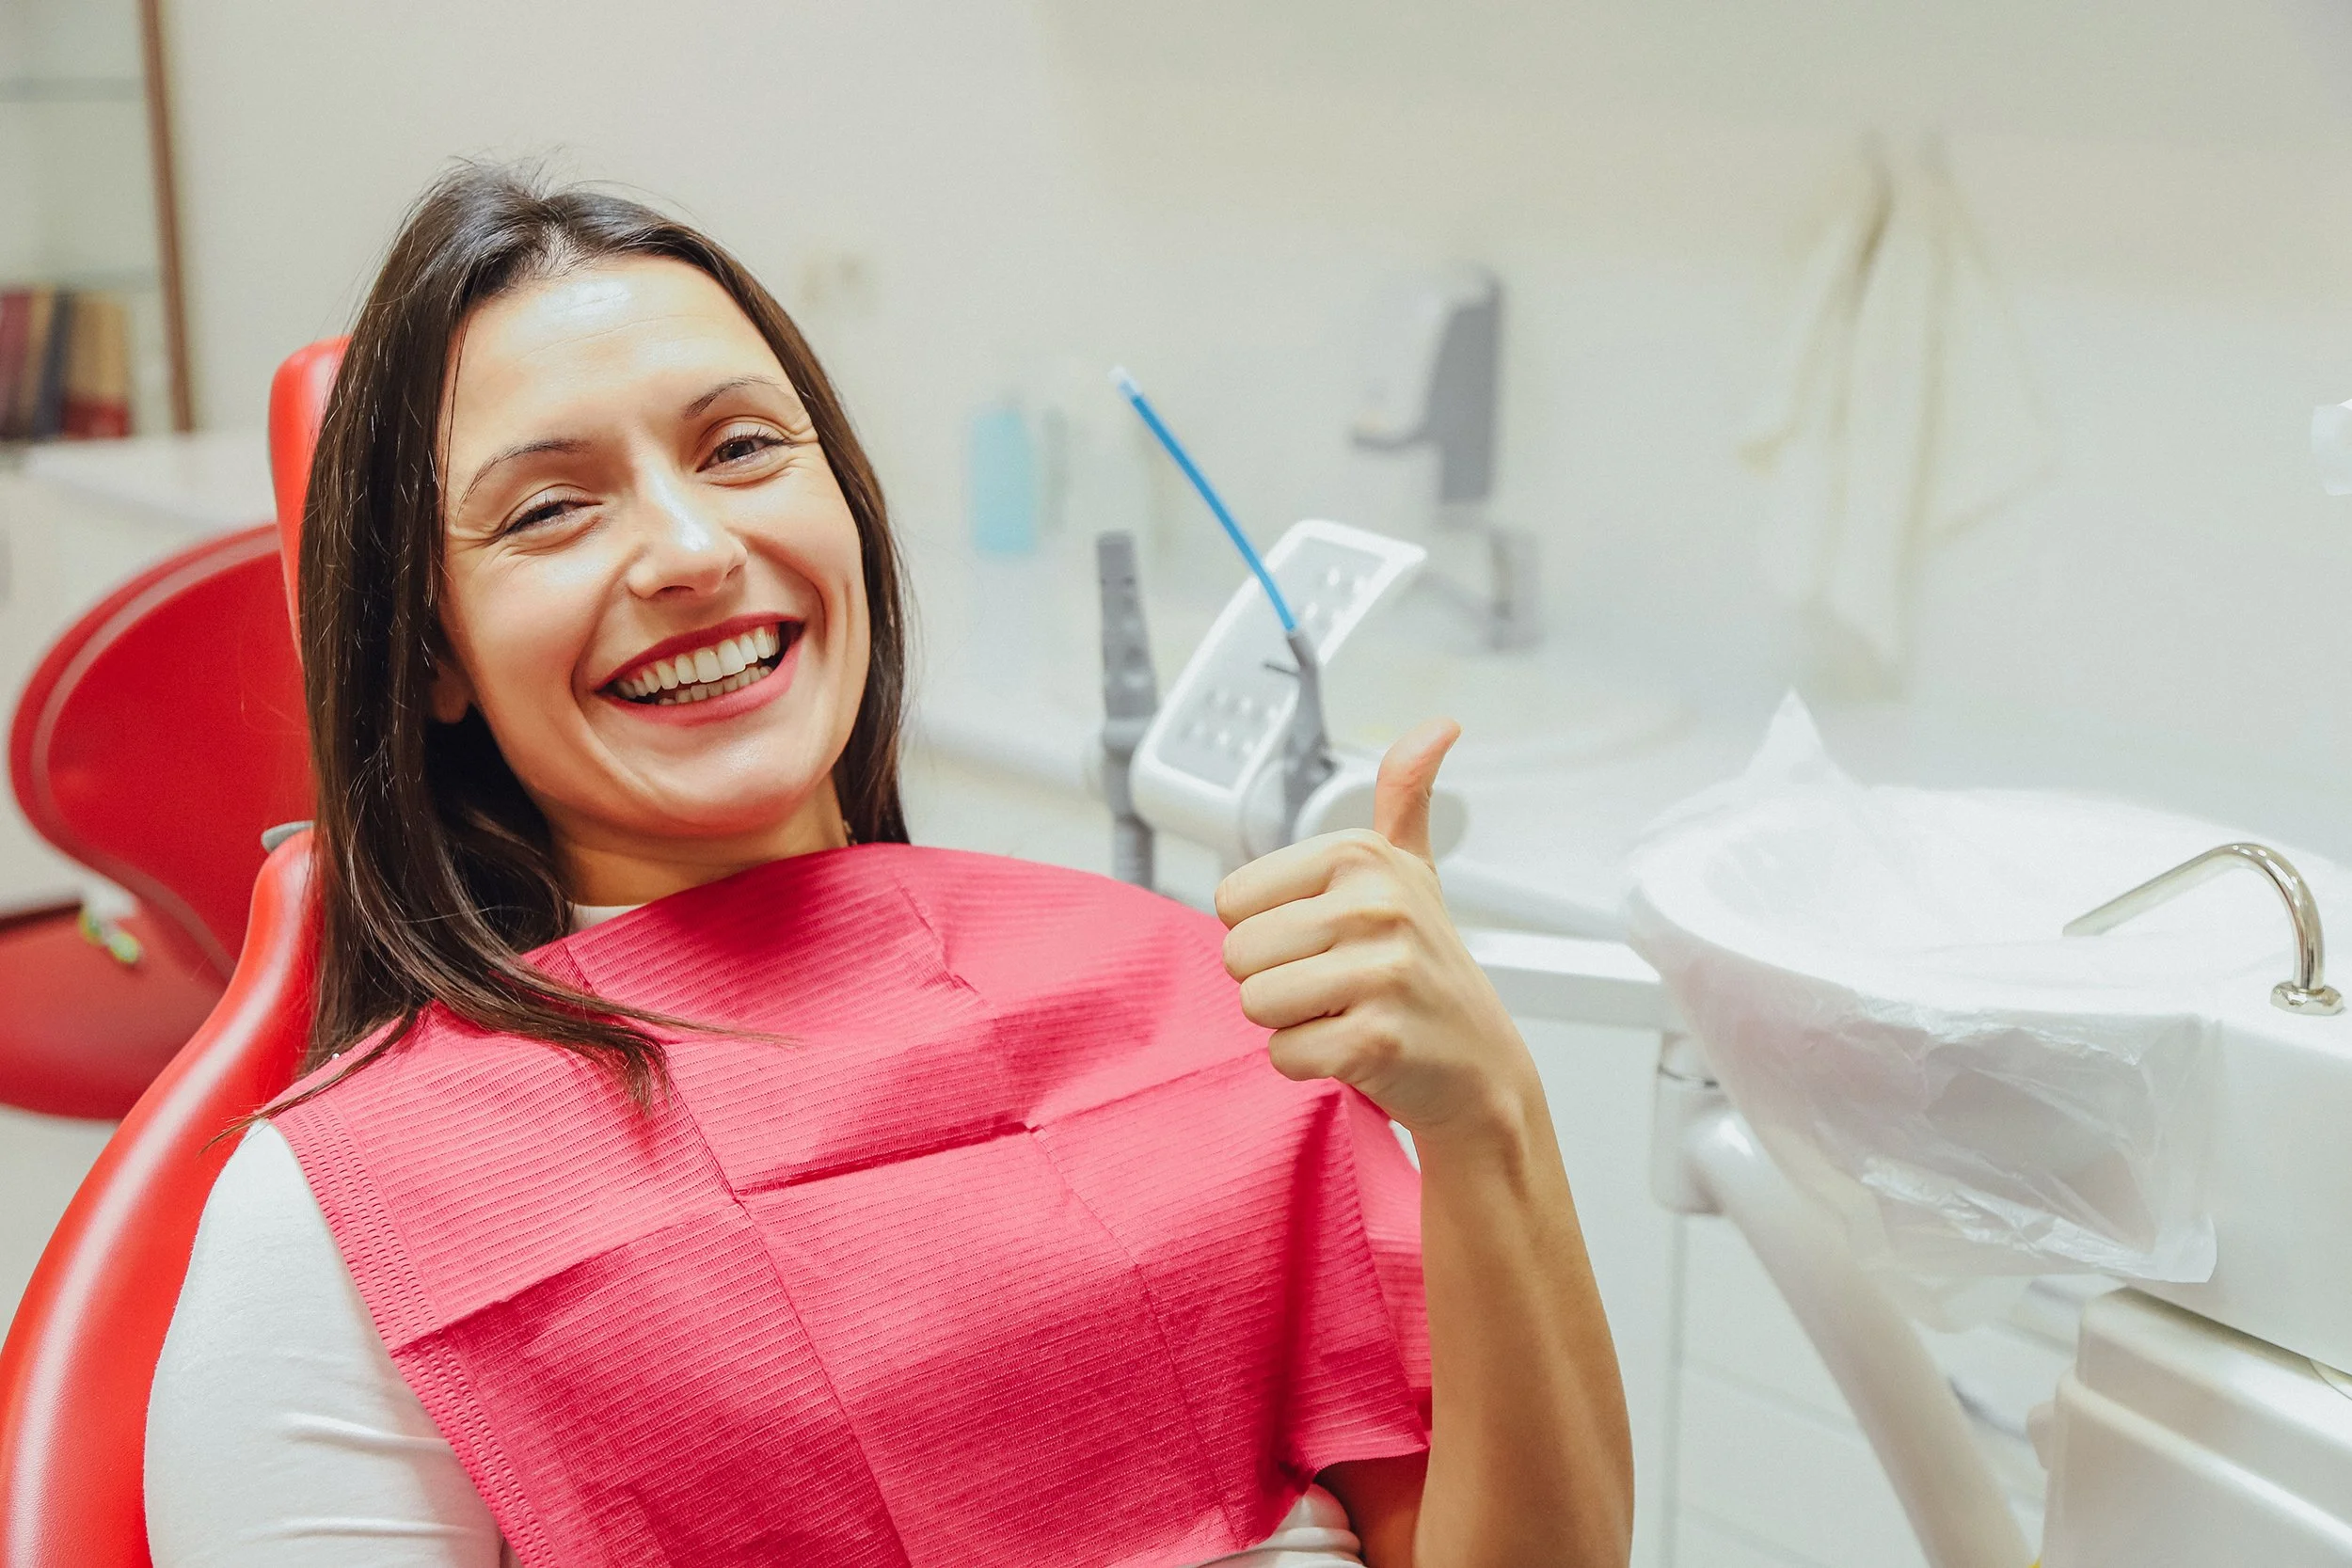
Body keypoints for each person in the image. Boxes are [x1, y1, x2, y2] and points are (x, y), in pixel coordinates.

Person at [143, 163, 1632, 1568]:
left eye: (741, 448)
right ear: (432, 657)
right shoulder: (342, 1226)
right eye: (550, 509)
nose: (690, 549)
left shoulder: (1195, 995)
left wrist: (1489, 1117)